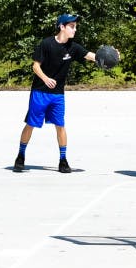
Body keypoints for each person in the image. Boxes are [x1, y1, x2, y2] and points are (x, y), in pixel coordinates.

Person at [13, 13, 96, 174]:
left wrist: (109, 56)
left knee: (60, 126)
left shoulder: (73, 47)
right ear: (62, 27)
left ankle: (63, 160)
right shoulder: (46, 44)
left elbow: (89, 56)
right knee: (31, 124)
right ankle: (21, 156)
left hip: (58, 95)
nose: (75, 29)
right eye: (72, 26)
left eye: (75, 27)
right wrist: (45, 78)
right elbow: (35, 66)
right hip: (40, 92)